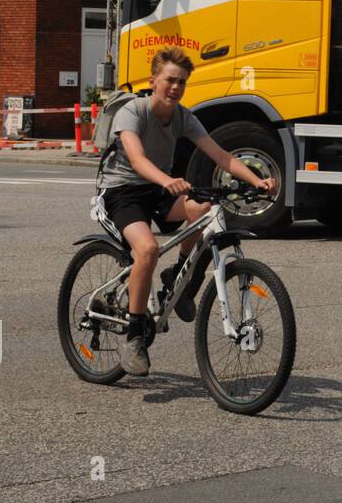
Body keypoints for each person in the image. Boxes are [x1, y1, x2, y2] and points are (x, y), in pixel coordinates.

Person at [96, 46, 276, 376]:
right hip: (123, 191)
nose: (176, 87)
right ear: (153, 80)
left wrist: (257, 179)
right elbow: (137, 159)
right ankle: (134, 337)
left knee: (202, 208)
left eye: (182, 82)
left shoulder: (183, 116)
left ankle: (177, 275)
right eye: (170, 80)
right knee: (147, 248)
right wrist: (168, 180)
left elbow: (222, 155)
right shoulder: (132, 112)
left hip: (159, 189)